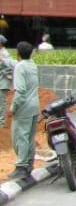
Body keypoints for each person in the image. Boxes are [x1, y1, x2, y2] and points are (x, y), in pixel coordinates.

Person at [8, 41, 39, 180]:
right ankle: (29, 165)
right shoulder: (33, 65)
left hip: (24, 108)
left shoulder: (20, 67)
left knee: (20, 137)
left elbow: (20, 91)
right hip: (34, 106)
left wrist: (13, 107)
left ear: (18, 53)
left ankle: (21, 166)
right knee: (30, 138)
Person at [0, 35, 15, 129]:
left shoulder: (5, 53)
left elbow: (10, 67)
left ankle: (1, 123)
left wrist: (3, 73)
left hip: (2, 82)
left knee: (1, 103)